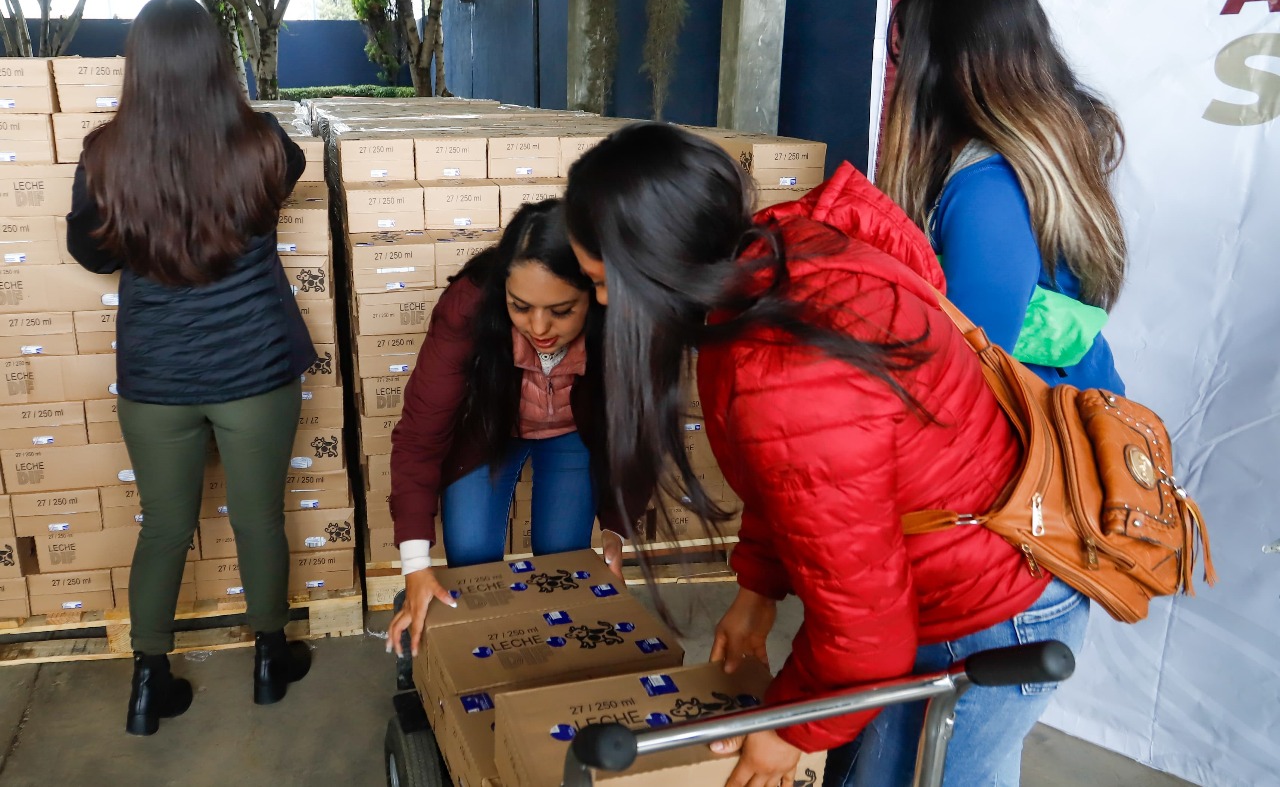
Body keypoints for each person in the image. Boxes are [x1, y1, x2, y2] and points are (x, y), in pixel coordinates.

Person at [564, 122, 1089, 787]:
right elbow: (796, 476)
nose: (602, 302)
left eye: (602, 280)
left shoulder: (788, 368)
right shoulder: (771, 266)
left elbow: (867, 631)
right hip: (956, 566)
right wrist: (758, 585)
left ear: (656, 263)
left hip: (990, 612)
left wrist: (788, 728)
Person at [66, 0, 315, 736]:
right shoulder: (265, 143)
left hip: (157, 380)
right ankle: (271, 661)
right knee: (259, 517)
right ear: (218, 59)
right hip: (257, 368)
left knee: (165, 527)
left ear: (136, 64)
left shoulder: (104, 155)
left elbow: (90, 252)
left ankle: (149, 682)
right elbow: (272, 201)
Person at [387, 200, 641, 659]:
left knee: (564, 560)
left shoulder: (623, 319)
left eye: (562, 311)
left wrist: (616, 532)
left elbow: (632, 430)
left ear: (597, 294)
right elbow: (419, 440)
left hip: (570, 435)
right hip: (488, 431)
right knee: (470, 563)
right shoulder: (466, 309)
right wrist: (415, 565)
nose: (540, 327)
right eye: (520, 308)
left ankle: (550, 656)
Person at [878, 0, 1127, 395]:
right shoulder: (1013, 165)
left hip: (1031, 437)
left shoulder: (989, 190)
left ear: (937, 68)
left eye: (906, 57)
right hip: (1064, 418)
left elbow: (967, 366)